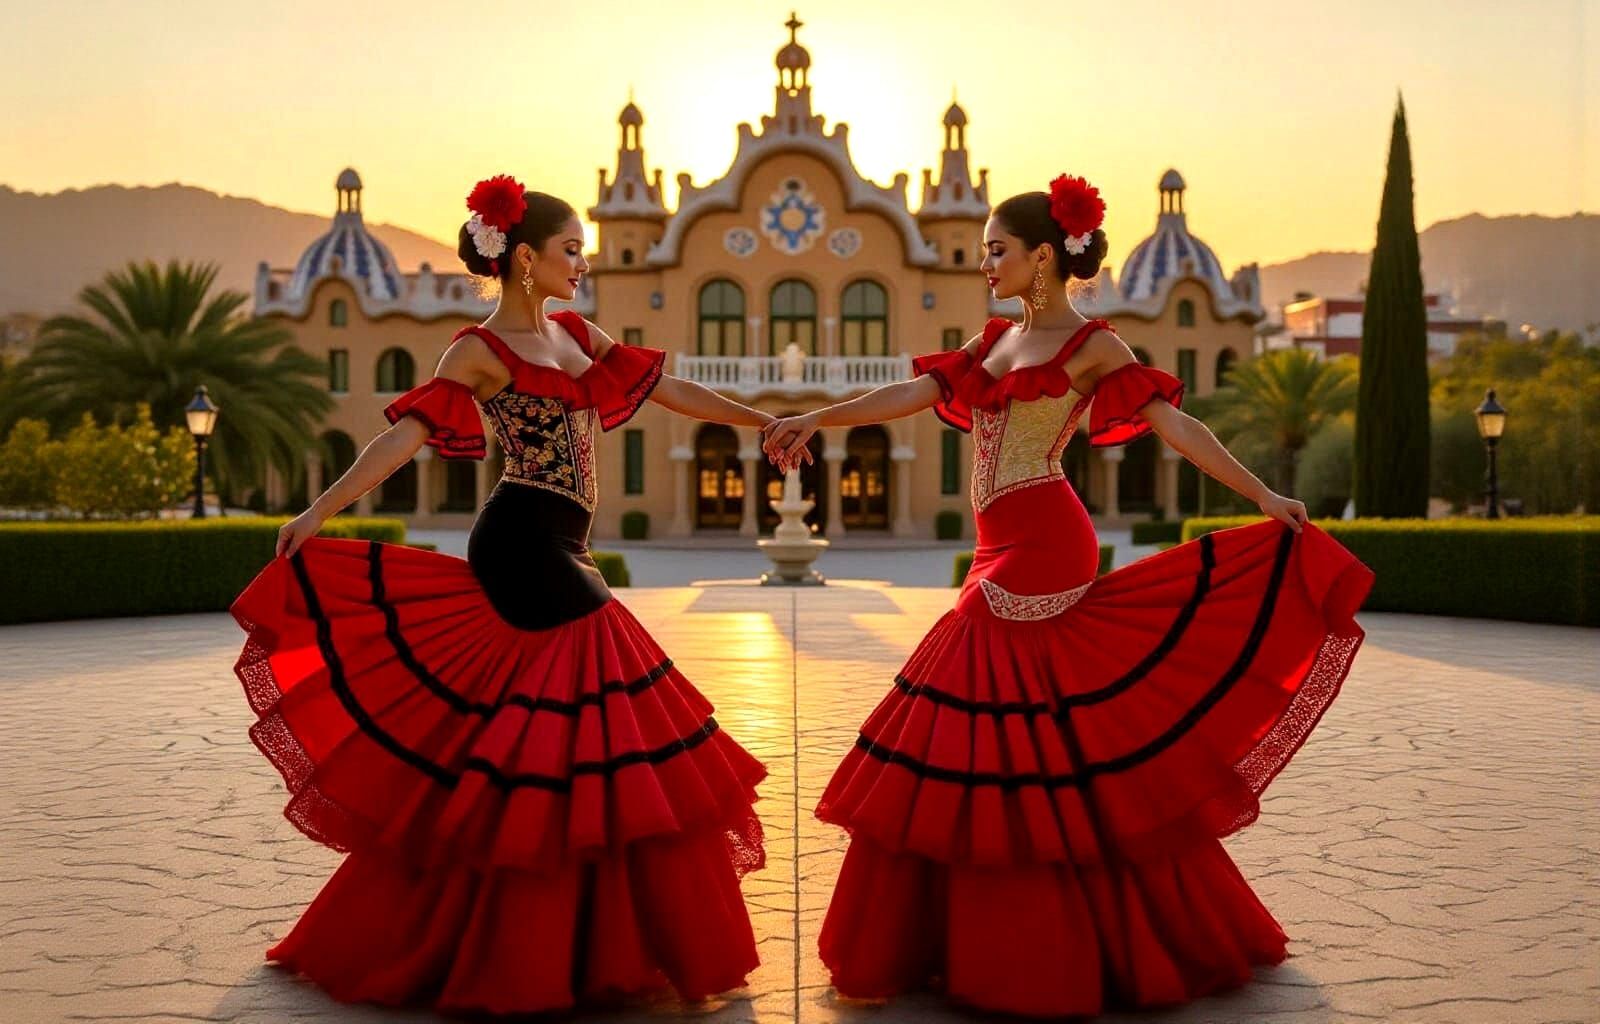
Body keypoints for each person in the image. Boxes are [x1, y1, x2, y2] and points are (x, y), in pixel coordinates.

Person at [763, 174, 1375, 1018]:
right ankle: (988, 929)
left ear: (1042, 255)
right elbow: (912, 394)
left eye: (997, 249)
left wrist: (1264, 496)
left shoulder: (1093, 344)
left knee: (966, 679)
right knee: (1041, 729)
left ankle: (1027, 933)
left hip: (1047, 543)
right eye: (984, 250)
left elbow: (1176, 427)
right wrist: (819, 415)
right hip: (990, 548)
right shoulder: (988, 344)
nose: (985, 262)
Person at [230, 175, 788, 1014]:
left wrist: (762, 420)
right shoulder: (477, 351)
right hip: (522, 544)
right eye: (571, 250)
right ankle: (550, 941)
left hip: (569, 544)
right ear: (524, 258)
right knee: (619, 695)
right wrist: (318, 510)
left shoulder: (574, 331)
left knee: (557, 742)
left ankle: (568, 937)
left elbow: (669, 388)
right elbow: (404, 438)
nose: (583, 262)